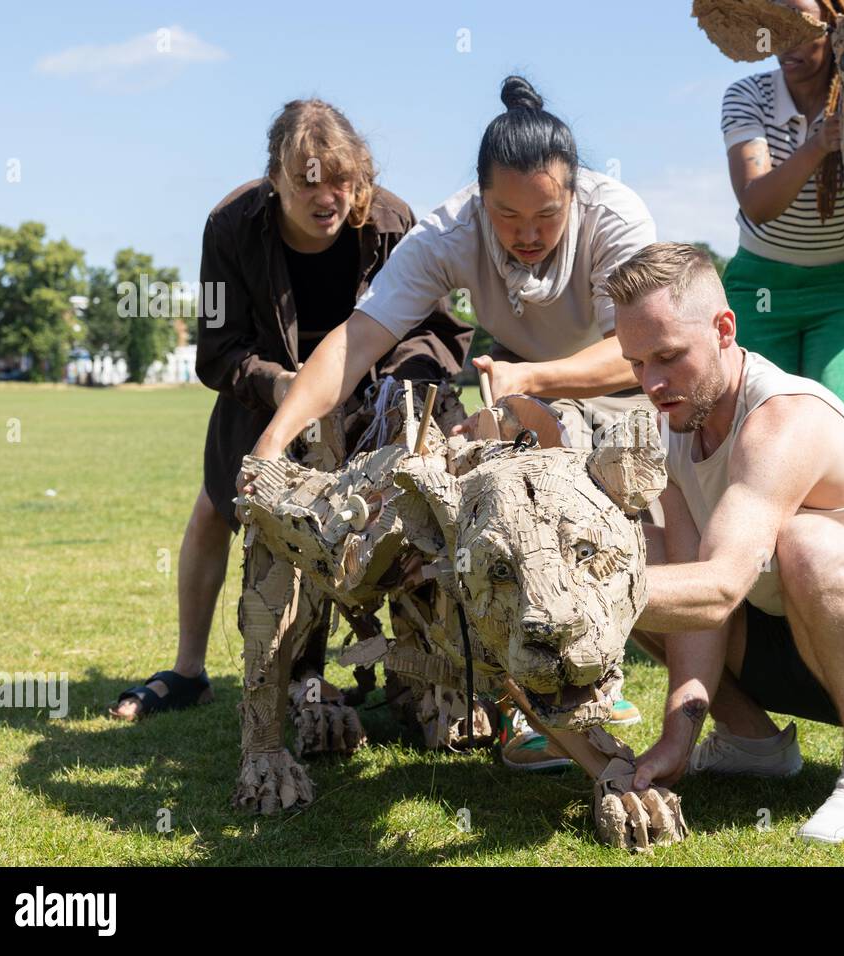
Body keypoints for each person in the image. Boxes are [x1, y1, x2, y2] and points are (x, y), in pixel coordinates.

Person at [242, 76, 659, 764]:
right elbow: (357, 340)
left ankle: (605, 672)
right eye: (506, 215)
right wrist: (270, 445)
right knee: (499, 516)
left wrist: (540, 377)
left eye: (547, 215)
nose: (527, 235)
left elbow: (640, 350)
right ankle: (518, 706)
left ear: (576, 193)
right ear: (479, 198)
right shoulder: (448, 230)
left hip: (619, 379)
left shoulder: (617, 218)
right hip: (521, 385)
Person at [110, 99, 472, 719]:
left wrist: (396, 396)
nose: (326, 195)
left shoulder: (391, 220)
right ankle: (192, 670)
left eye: (341, 179)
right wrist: (281, 386)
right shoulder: (229, 226)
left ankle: (433, 679)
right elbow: (219, 349)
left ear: (361, 175)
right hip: (266, 398)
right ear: (274, 179)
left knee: (420, 523)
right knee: (218, 504)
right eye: (307, 180)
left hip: (376, 395)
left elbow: (430, 330)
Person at [607, 242, 844, 843]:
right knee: (633, 552)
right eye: (635, 363)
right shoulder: (672, 426)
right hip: (804, 642)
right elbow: (694, 595)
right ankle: (752, 743)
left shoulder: (783, 419)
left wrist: (579, 596)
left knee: (804, 541)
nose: (651, 382)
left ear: (724, 329)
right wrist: (678, 735)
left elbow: (721, 586)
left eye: (668, 356)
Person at [719, 0, 844, 425]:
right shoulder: (747, 95)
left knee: (839, 428)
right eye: (776, 28)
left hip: (843, 289)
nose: (785, 43)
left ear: (835, 30)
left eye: (801, 29)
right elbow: (758, 204)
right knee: (757, 429)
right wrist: (818, 144)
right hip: (761, 287)